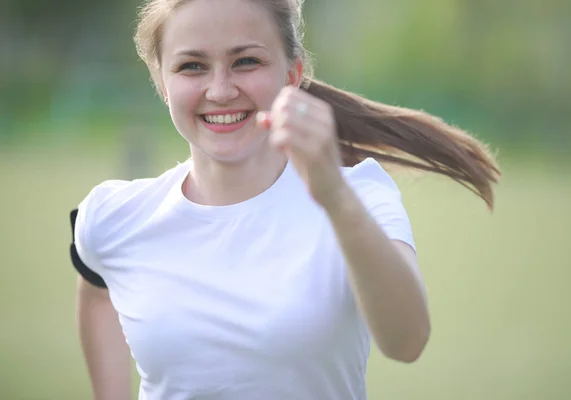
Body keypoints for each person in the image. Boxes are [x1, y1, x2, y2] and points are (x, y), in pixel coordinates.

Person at [69, 0, 501, 399]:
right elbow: (96, 282)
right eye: (192, 66)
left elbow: (407, 340)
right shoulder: (113, 217)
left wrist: (333, 195)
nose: (219, 90)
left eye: (246, 61)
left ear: (292, 75)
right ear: (162, 81)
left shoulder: (358, 195)